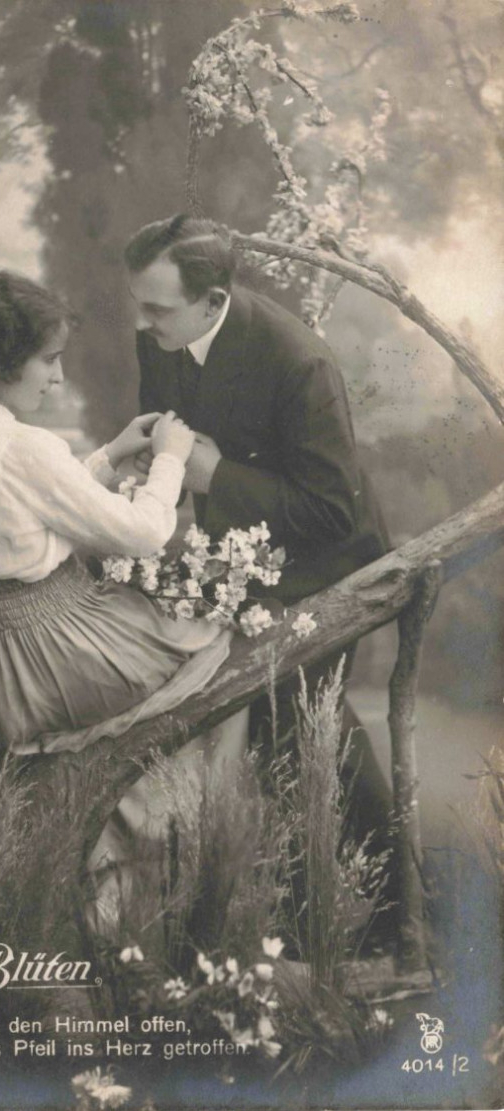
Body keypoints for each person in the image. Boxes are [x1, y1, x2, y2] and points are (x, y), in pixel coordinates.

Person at [124, 214, 392, 848]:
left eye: (156, 309)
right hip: (244, 556)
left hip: (326, 563)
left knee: (303, 722)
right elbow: (177, 423)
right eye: (139, 305)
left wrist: (213, 475)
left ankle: (398, 909)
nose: (141, 323)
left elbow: (333, 510)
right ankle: (289, 906)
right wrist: (156, 453)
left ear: (213, 301)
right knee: (260, 728)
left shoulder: (299, 361)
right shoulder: (160, 334)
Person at [0, 269, 236, 760]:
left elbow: (22, 514)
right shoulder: (22, 446)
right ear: (6, 363)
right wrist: (170, 456)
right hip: (58, 652)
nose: (58, 377)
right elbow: (145, 532)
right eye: (48, 360)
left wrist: (109, 455)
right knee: (213, 644)